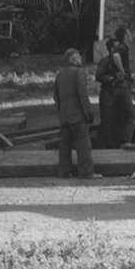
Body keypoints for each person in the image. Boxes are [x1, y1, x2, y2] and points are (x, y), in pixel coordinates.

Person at [53, 48, 98, 178]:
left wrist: (61, 110)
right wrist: (89, 113)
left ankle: (64, 171)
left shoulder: (60, 74)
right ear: (73, 59)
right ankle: (86, 172)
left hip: (64, 116)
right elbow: (82, 95)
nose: (80, 59)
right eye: (78, 57)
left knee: (65, 145)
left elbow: (55, 95)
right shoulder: (79, 72)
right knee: (83, 144)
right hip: (77, 115)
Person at [95, 38, 121, 148]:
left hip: (120, 94)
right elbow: (98, 76)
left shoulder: (122, 62)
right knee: (107, 120)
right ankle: (106, 147)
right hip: (108, 93)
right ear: (111, 49)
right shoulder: (105, 61)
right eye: (117, 47)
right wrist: (111, 78)